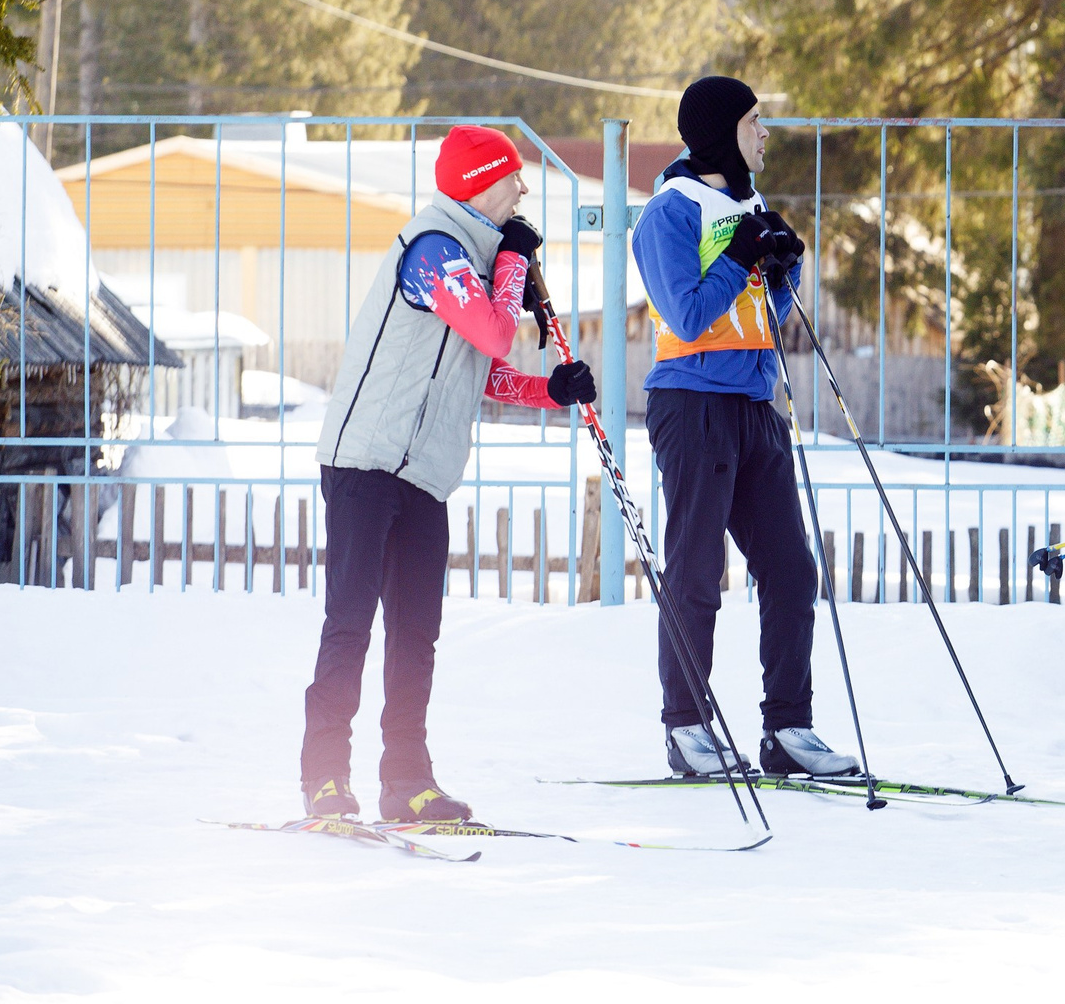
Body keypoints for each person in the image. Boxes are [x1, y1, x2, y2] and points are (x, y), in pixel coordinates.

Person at [302, 125, 597, 822]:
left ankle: (407, 779)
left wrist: (550, 391)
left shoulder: (477, 257)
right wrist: (513, 270)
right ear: (482, 181)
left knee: (417, 634)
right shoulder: (434, 250)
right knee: (350, 625)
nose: (523, 189)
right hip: (365, 462)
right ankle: (324, 779)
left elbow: (488, 371)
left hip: (424, 474)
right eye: (513, 176)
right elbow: (494, 330)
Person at [632, 75, 859, 781]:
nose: (765, 135)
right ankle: (688, 728)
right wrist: (740, 255)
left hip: (756, 406)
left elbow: (763, 315)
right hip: (692, 405)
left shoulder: (747, 204)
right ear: (723, 130)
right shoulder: (670, 211)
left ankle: (787, 727)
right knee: (698, 572)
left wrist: (783, 269)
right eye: (756, 122)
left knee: (792, 571)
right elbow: (688, 313)